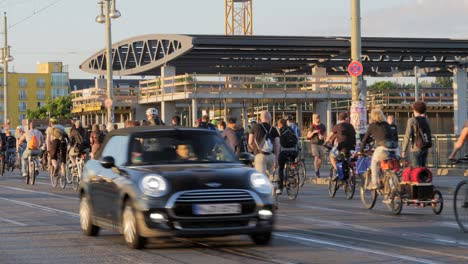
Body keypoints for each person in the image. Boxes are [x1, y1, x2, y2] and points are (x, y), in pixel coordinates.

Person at [360, 109, 399, 192]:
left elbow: (365, 139)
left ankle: (375, 183)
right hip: (394, 148)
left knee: (374, 162)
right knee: (389, 168)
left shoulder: (372, 125)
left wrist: (361, 150)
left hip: (382, 147)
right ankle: (392, 187)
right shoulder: (387, 124)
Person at [248, 111, 280, 182]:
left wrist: (254, 149)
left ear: (260, 118)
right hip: (271, 155)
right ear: (270, 118)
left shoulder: (255, 127)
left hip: (259, 155)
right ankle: (273, 189)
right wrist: (276, 158)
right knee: (272, 176)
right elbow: (277, 144)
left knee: (261, 178)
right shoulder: (274, 129)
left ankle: (264, 191)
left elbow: (250, 142)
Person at [325, 112, 356, 180]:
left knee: (332, 156)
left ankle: (337, 171)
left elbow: (330, 136)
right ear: (346, 118)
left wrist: (325, 142)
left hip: (342, 148)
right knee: (346, 159)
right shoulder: (351, 126)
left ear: (339, 118)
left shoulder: (338, 126)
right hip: (352, 148)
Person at [401, 101, 432, 167]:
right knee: (423, 169)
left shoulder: (411, 120)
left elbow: (407, 136)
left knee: (416, 170)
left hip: (416, 148)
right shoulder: (426, 119)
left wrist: (404, 150)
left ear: (415, 110)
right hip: (425, 147)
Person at [276, 118, 298, 194]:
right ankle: (292, 175)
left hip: (284, 151)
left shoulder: (279, 131)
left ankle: (280, 187)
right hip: (293, 151)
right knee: (291, 163)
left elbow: (277, 143)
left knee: (280, 168)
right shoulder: (291, 129)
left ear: (280, 124)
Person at [307, 114, 326, 178]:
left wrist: (323, 137)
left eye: (318, 118)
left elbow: (325, 134)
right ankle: (316, 171)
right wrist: (313, 132)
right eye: (316, 118)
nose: (318, 119)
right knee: (316, 157)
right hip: (314, 143)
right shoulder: (312, 126)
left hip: (321, 144)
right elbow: (308, 136)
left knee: (321, 159)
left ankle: (317, 168)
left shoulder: (322, 126)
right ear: (314, 119)